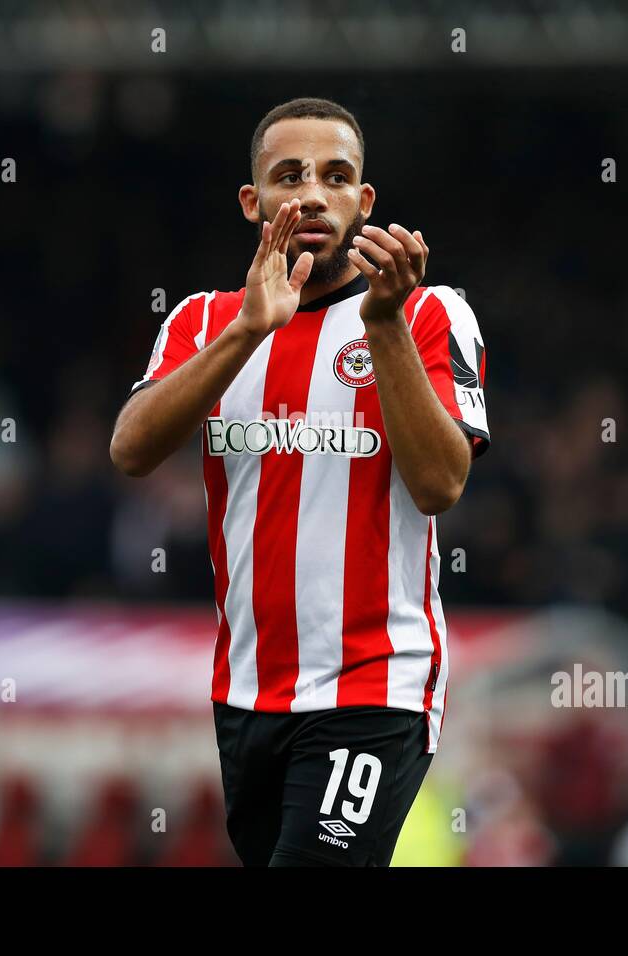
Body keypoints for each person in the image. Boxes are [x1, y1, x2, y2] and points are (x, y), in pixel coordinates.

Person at [110, 97, 490, 866]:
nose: (313, 193)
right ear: (255, 202)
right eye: (290, 176)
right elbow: (131, 450)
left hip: (373, 683)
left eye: (336, 176)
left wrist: (382, 326)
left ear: (364, 200)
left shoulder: (426, 314)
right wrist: (250, 328)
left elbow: (440, 485)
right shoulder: (202, 319)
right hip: (247, 690)